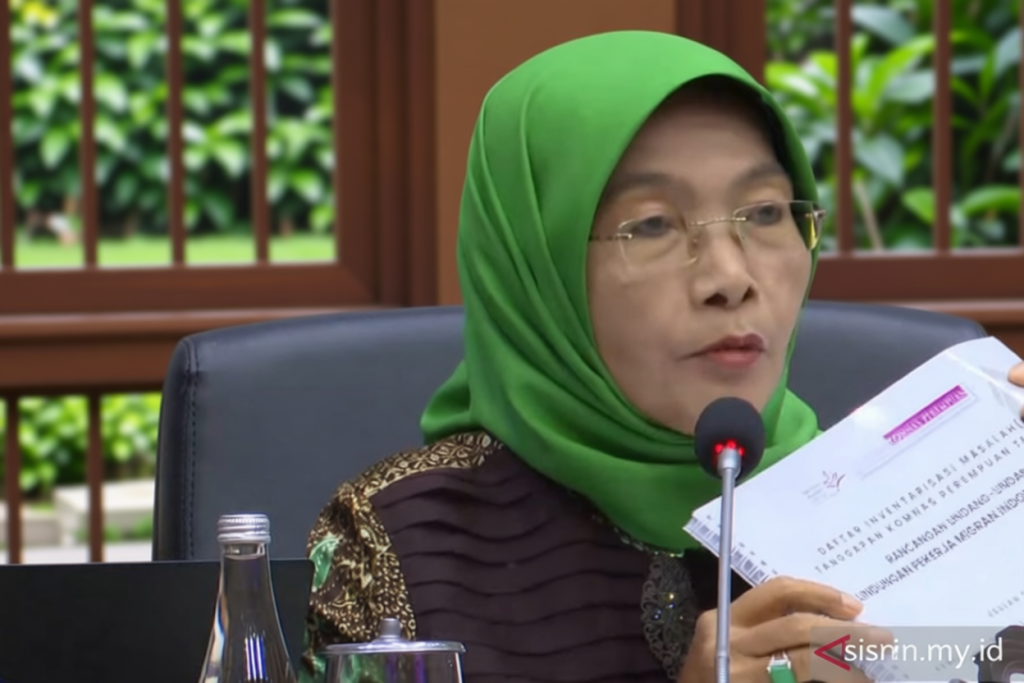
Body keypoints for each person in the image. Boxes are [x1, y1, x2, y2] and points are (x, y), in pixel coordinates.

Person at [299, 30, 1024, 683]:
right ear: (536, 266)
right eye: (650, 225)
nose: (731, 278)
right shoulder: (403, 544)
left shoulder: (910, 501)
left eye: (766, 212)